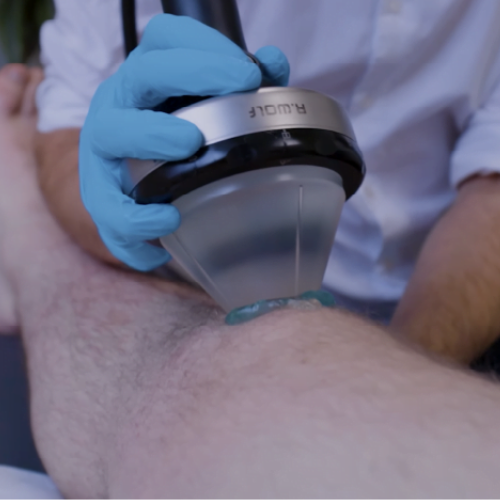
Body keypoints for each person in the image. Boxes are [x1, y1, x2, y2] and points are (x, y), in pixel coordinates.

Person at [4, 62, 500, 498]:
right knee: (272, 342)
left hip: (447, 290)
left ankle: (23, 227)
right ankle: (29, 229)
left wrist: (382, 366)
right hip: (205, 270)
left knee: (270, 344)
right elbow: (65, 140)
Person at [34, 0, 500, 365]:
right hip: (203, 281)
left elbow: (492, 196)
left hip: (457, 290)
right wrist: (125, 192)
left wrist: (396, 375)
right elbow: (65, 138)